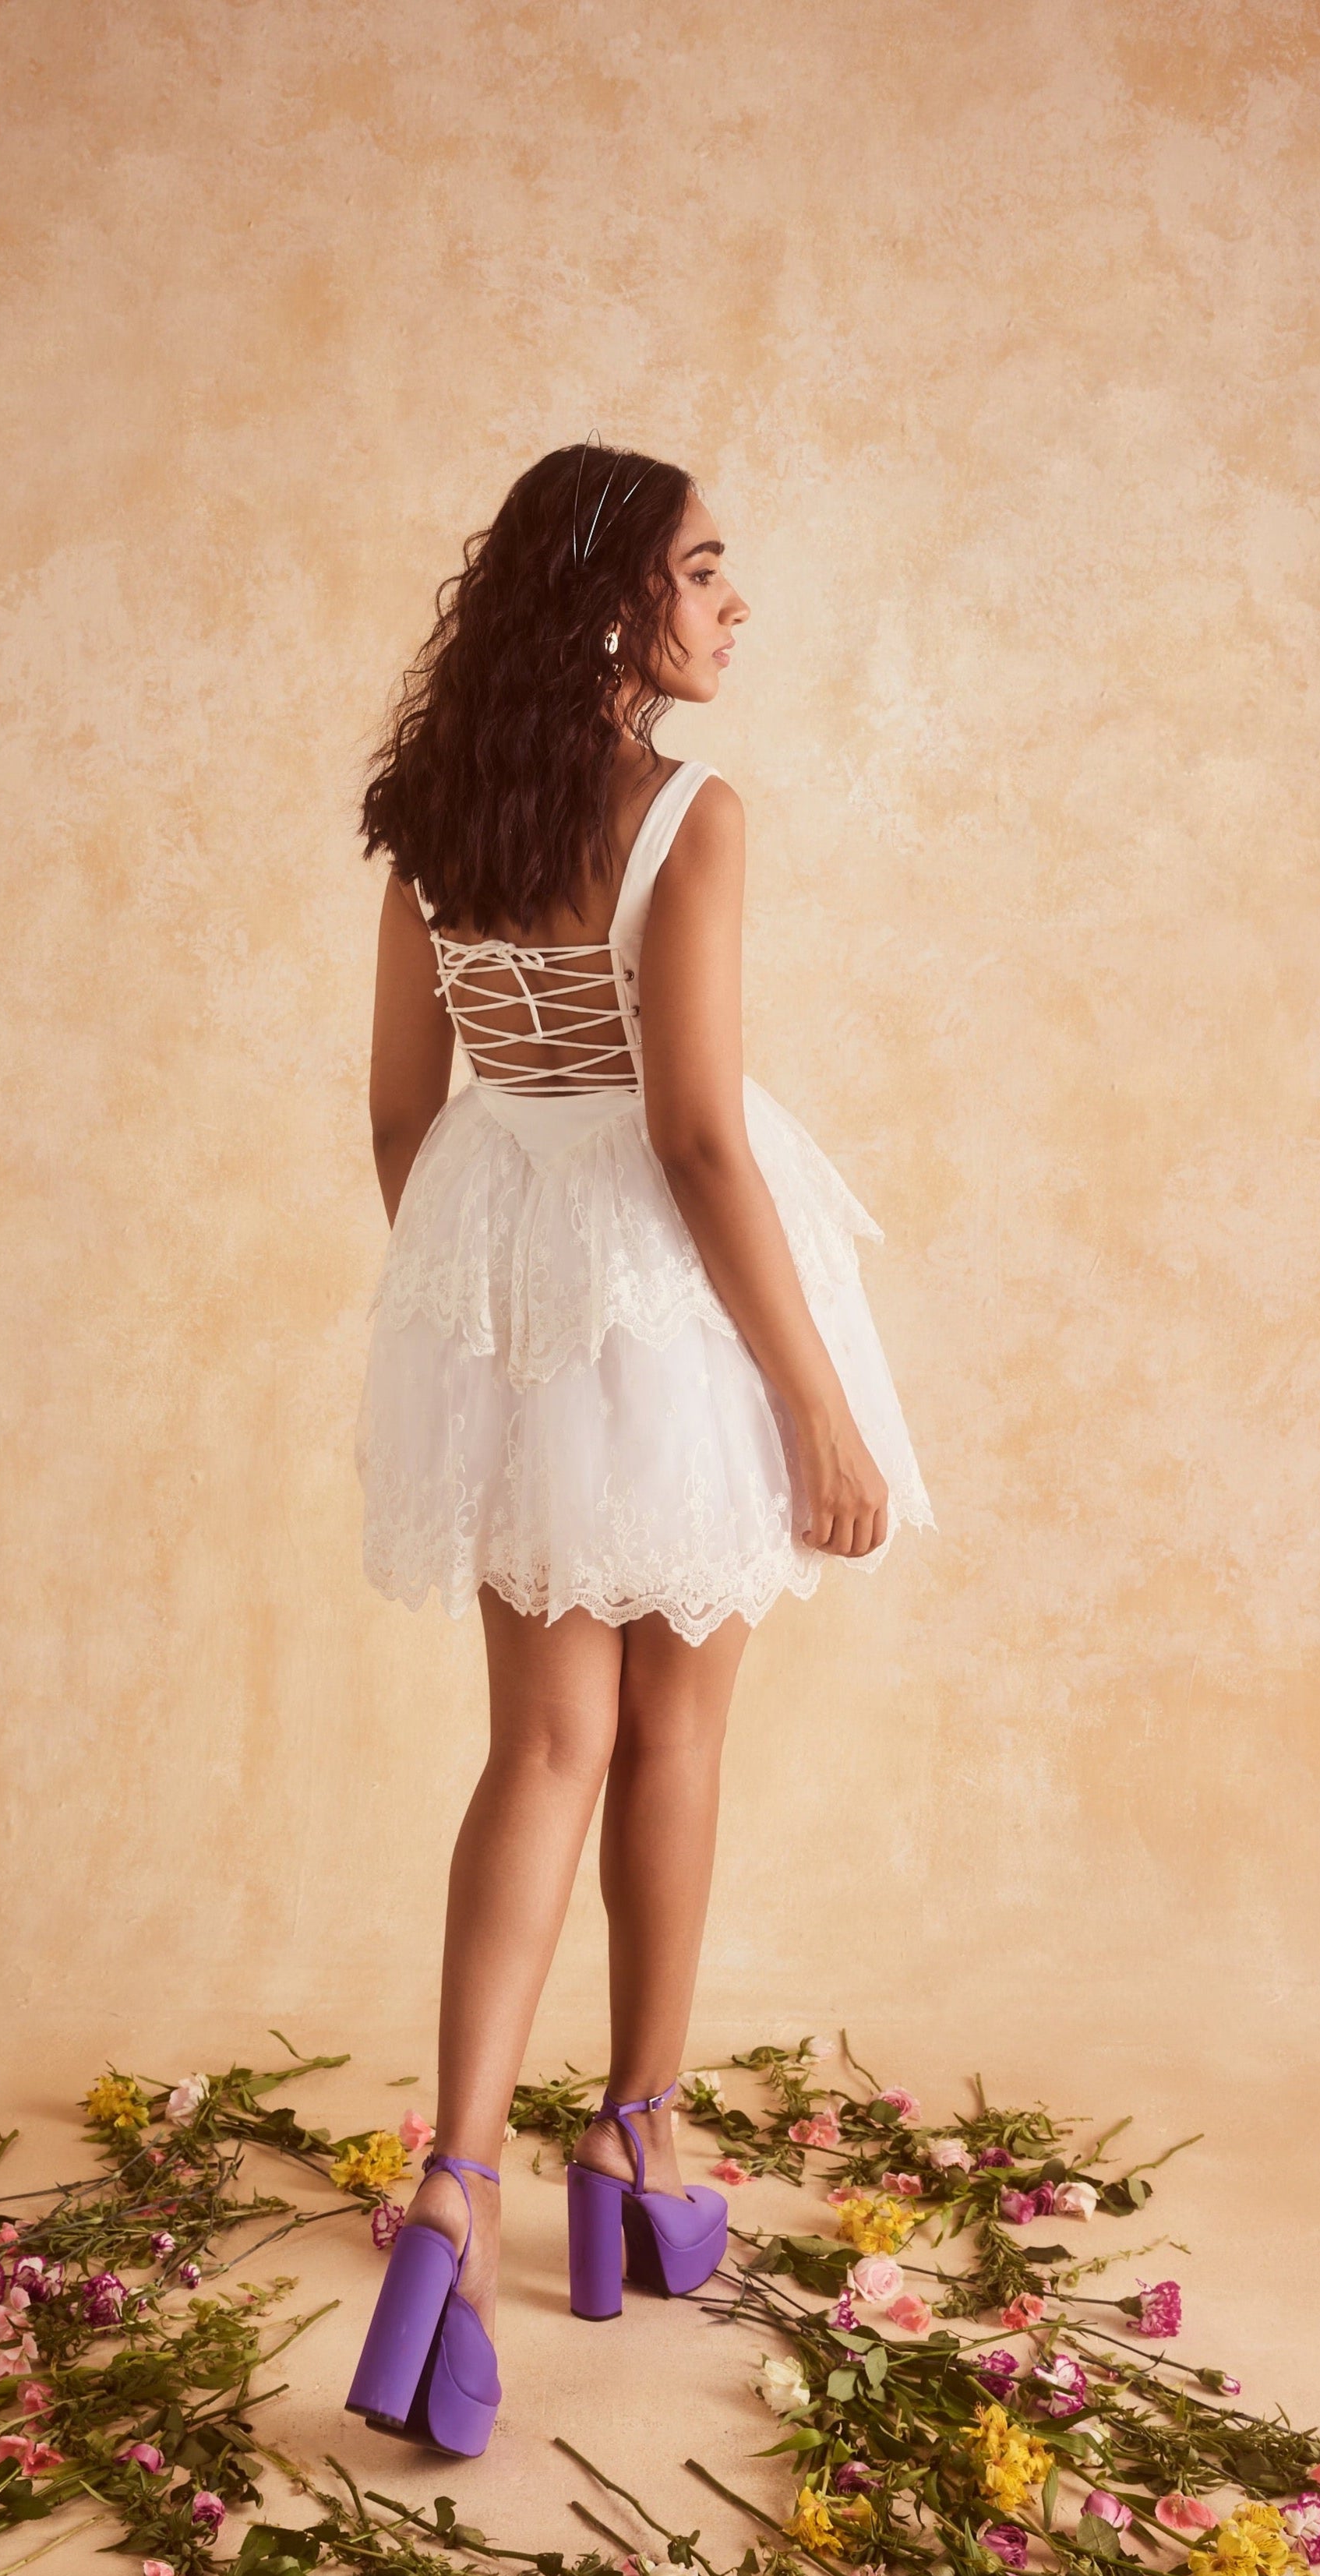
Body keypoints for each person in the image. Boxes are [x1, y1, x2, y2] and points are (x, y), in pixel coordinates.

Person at [343, 443, 934, 2453]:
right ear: (617, 607)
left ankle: (458, 2186)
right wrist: (818, 1411)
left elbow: (403, 1123)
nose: (731, 603)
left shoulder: (443, 815)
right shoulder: (684, 811)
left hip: (513, 1293)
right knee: (673, 1741)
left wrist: (484, 1313)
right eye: (701, 571)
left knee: (536, 1752)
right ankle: (639, 2146)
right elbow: (692, 1133)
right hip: (679, 1309)